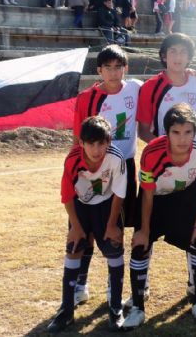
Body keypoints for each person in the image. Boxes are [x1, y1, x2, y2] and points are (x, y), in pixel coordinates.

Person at [136, 33, 196, 300]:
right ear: (164, 56)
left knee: (194, 226)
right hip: (159, 168)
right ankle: (141, 286)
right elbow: (144, 130)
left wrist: (188, 142)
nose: (178, 57)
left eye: (183, 52)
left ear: (189, 57)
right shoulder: (151, 87)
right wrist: (166, 151)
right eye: (173, 52)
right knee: (146, 227)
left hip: (190, 169)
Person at [124, 104, 196, 328]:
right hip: (155, 199)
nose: (182, 138)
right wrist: (144, 230)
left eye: (188, 132)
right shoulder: (151, 152)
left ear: (195, 132)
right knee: (140, 245)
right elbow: (146, 194)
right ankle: (137, 306)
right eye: (176, 132)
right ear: (167, 133)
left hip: (186, 197)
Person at [69, 45, 141, 308]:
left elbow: (169, 78)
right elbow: (79, 137)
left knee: (117, 227)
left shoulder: (135, 88)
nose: (113, 72)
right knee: (86, 228)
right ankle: (81, 284)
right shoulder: (87, 98)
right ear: (99, 70)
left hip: (125, 167)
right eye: (107, 67)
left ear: (126, 68)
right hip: (93, 169)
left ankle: (114, 289)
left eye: (118, 67)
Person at [46, 116, 128, 332]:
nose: (96, 149)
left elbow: (120, 193)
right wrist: (75, 226)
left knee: (114, 250)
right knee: (74, 249)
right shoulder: (72, 159)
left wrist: (112, 225)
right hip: (81, 206)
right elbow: (67, 195)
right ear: (81, 143)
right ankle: (66, 311)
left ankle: (115, 308)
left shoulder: (116, 158)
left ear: (109, 141)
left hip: (108, 206)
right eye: (91, 143)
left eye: (101, 143)